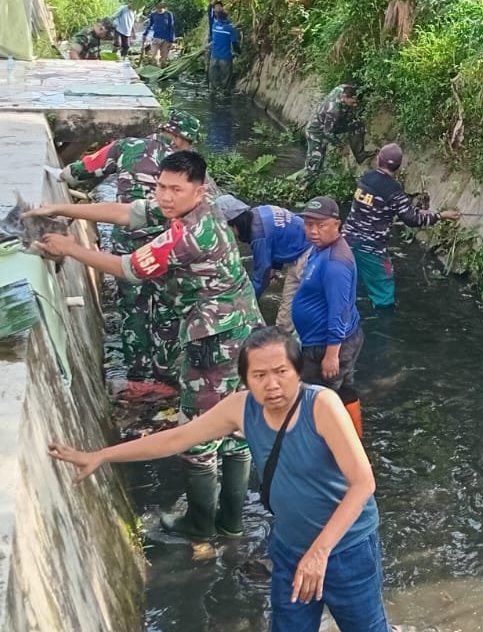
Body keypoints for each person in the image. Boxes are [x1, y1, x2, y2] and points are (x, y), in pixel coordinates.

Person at [47, 327, 443, 632]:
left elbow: (363, 483)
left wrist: (320, 553)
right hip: (291, 550)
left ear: (297, 371)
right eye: (259, 375)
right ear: (245, 379)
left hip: (346, 546)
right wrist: (99, 456)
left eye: (281, 372)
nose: (271, 384)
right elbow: (178, 438)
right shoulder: (241, 409)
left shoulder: (322, 405)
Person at [32, 150, 261, 540]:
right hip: (246, 331)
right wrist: (61, 206)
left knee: (199, 432)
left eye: (175, 189)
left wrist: (69, 248)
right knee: (238, 427)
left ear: (198, 190)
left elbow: (128, 269)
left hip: (215, 342)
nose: (165, 196)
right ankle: (231, 522)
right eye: (161, 187)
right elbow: (129, 214)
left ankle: (202, 525)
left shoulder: (189, 234)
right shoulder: (196, 208)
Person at [60, 131, 178, 403]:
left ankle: (137, 377)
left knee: (133, 308)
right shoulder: (180, 162)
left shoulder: (125, 147)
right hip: (163, 246)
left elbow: (77, 172)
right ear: (182, 138)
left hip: (128, 240)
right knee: (165, 309)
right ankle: (164, 376)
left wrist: (62, 178)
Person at [340, 144, 457, 310]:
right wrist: (441, 215)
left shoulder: (366, 178)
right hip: (370, 248)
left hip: (345, 241)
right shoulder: (393, 190)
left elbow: (405, 211)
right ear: (398, 166)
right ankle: (381, 329)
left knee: (343, 285)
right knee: (383, 295)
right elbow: (411, 219)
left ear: (378, 160)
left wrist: (419, 211)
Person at [291, 197, 365, 436]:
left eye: (320, 225)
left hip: (328, 345)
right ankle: (354, 439)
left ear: (337, 224)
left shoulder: (336, 263)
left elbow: (340, 310)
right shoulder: (321, 249)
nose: (313, 231)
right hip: (330, 340)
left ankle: (325, 451)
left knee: (316, 402)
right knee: (343, 391)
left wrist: (332, 354)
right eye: (308, 224)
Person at [216, 195, 312, 334]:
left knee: (292, 307)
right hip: (302, 244)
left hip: (307, 252)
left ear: (235, 225)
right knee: (293, 306)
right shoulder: (260, 212)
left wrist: (247, 305)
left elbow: (260, 279)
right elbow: (279, 238)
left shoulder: (259, 236)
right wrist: (274, 268)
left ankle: (288, 339)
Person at [301, 85, 364, 182]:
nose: (355, 105)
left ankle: (360, 155)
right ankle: (301, 188)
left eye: (356, 102)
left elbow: (351, 88)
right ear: (345, 97)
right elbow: (328, 132)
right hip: (316, 133)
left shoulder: (342, 88)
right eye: (353, 102)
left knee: (357, 125)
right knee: (314, 166)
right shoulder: (334, 111)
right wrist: (342, 146)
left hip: (331, 125)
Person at [207, 4, 239, 94]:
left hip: (214, 57)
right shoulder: (230, 29)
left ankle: (213, 95)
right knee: (225, 84)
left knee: (213, 84)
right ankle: (224, 96)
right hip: (225, 58)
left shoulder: (214, 26)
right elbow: (234, 43)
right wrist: (238, 52)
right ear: (227, 17)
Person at [146, 0, 176, 66]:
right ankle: (154, 70)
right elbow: (150, 25)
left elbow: (171, 27)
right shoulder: (153, 15)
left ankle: (162, 70)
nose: (160, 7)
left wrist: (172, 40)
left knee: (164, 58)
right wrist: (145, 35)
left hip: (166, 38)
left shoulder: (168, 14)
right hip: (156, 37)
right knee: (155, 56)